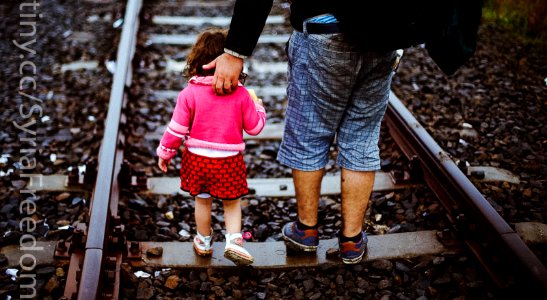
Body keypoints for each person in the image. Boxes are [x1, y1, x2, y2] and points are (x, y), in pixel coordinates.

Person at [203, 1, 481, 265]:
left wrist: (235, 50)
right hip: (384, 34)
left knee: (309, 134)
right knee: (362, 137)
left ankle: (306, 231)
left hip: (324, 28)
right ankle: (351, 240)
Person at [156, 28, 266, 266]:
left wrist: (165, 153)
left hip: (197, 159)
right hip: (228, 161)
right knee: (232, 201)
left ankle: (204, 241)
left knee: (203, 200)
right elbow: (255, 128)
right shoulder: (242, 95)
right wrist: (259, 107)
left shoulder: (189, 93)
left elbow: (176, 130)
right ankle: (234, 241)